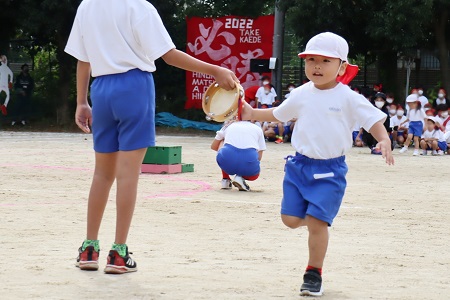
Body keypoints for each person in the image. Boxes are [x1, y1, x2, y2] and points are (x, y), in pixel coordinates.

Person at [65, 0, 238, 274]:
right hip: (134, 86)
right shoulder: (139, 7)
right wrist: (215, 70)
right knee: (128, 174)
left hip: (100, 89)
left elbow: (83, 58)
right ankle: (119, 254)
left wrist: (81, 101)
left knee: (102, 174)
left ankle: (89, 249)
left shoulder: (87, 5)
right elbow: (168, 55)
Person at [240, 32, 394, 297]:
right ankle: (315, 222)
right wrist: (251, 114)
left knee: (316, 223)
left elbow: (373, 121)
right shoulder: (300, 93)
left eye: (325, 60)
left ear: (342, 67)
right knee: (289, 220)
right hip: (297, 167)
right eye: (311, 60)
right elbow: (279, 114)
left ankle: (313, 274)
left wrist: (385, 140)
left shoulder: (349, 97)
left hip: (330, 170)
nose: (317, 66)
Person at [211, 120, 266, 191]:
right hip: (249, 161)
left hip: (228, 158)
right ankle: (240, 177)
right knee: (254, 175)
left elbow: (214, 146)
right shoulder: (258, 128)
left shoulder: (228, 126)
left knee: (222, 142)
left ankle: (225, 179)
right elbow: (259, 157)